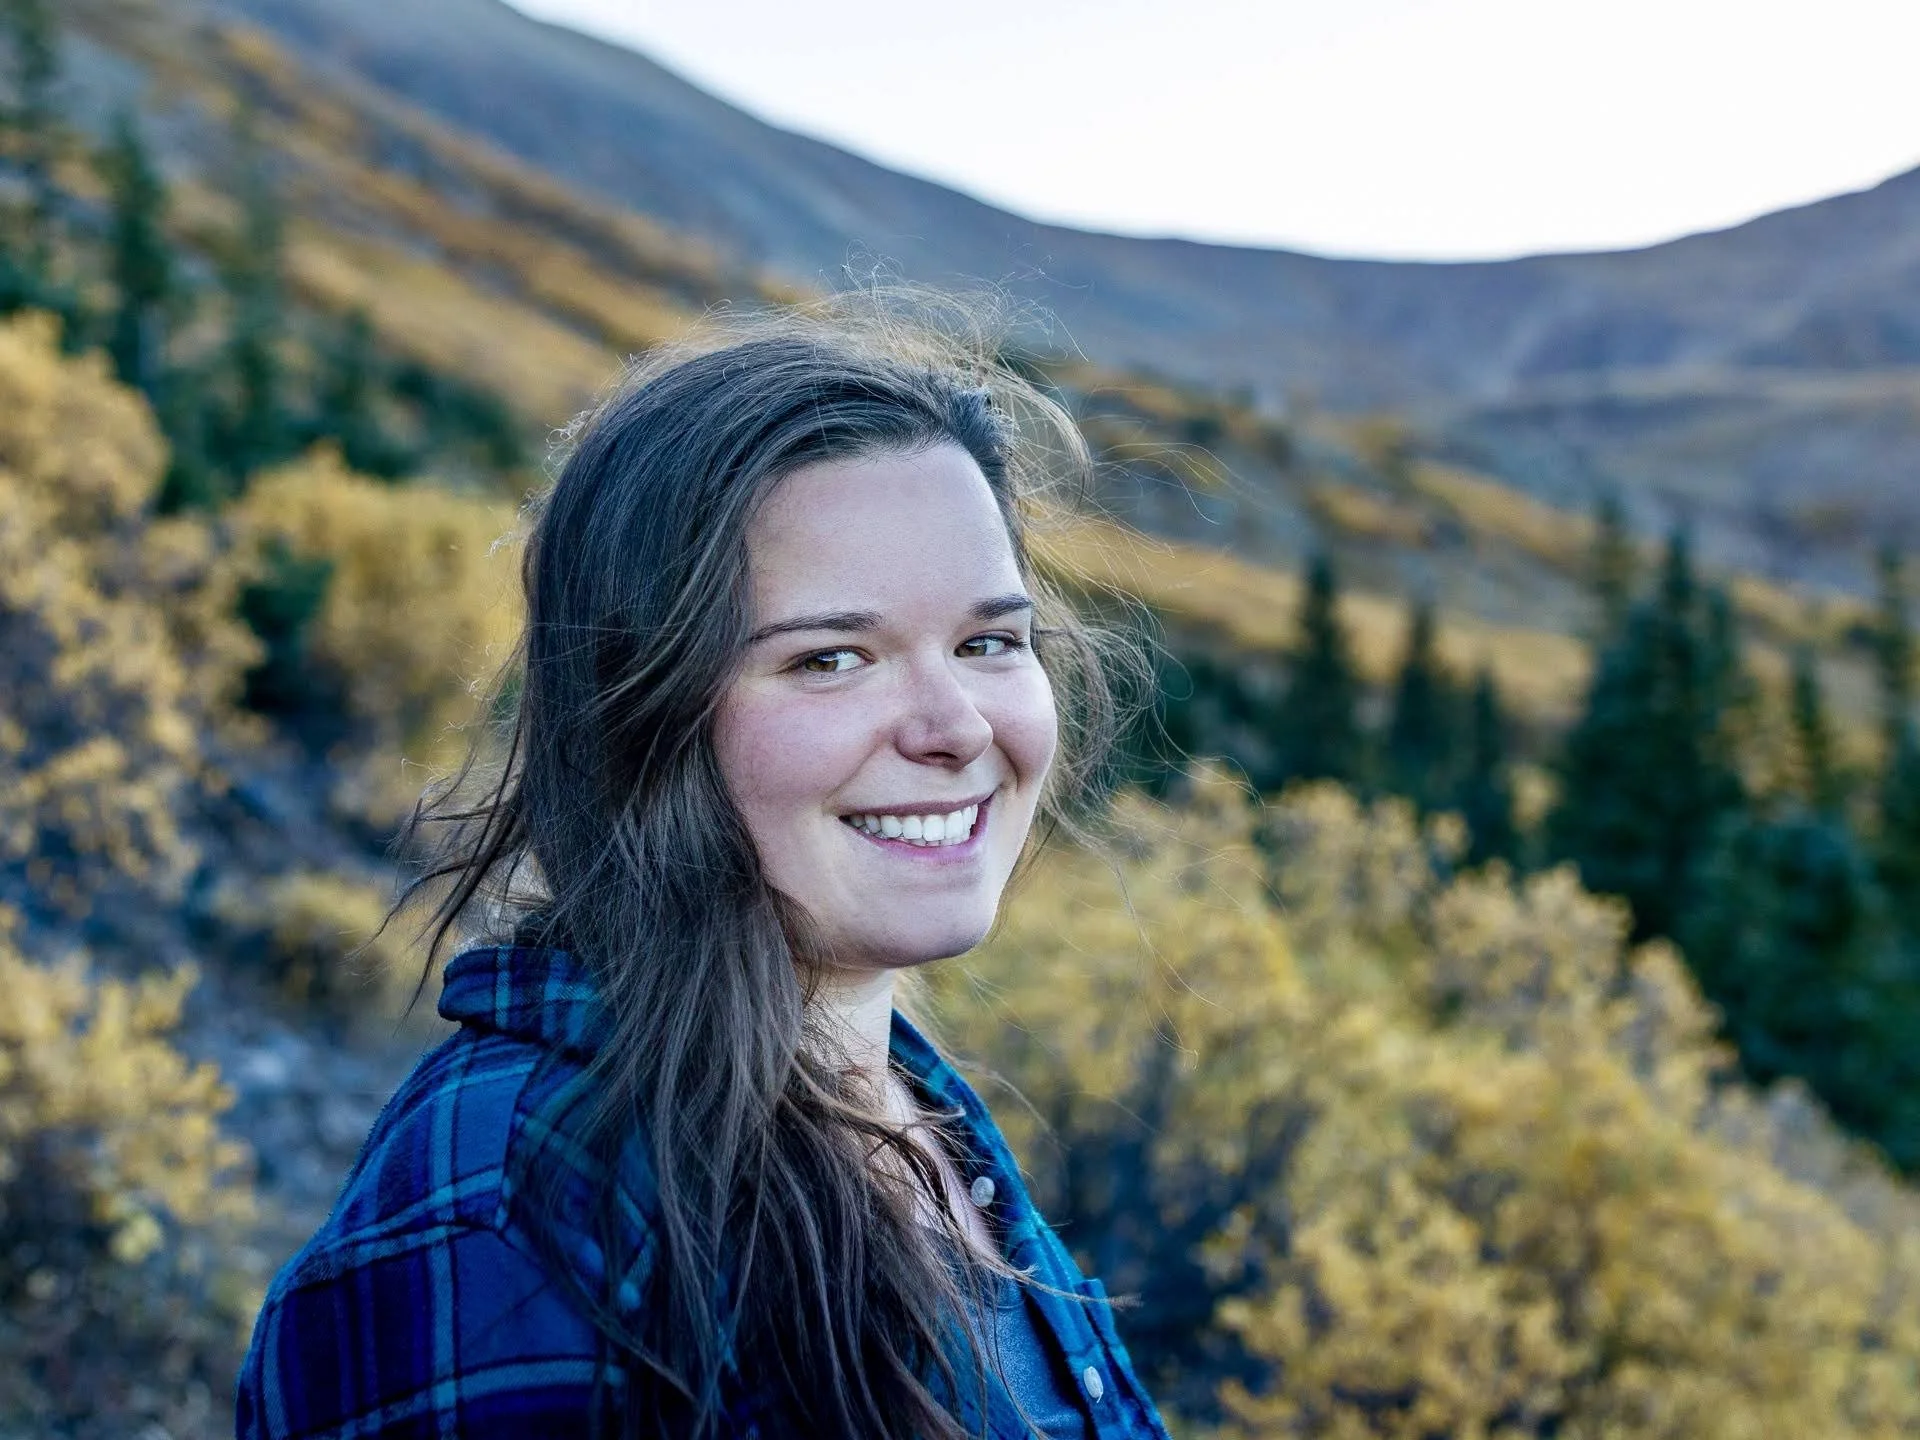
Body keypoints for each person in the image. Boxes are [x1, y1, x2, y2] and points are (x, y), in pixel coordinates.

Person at [235, 298, 1174, 1439]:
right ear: (645, 711)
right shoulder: (512, 1227)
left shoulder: (919, 1119)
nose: (955, 726)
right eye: (832, 658)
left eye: (988, 642)